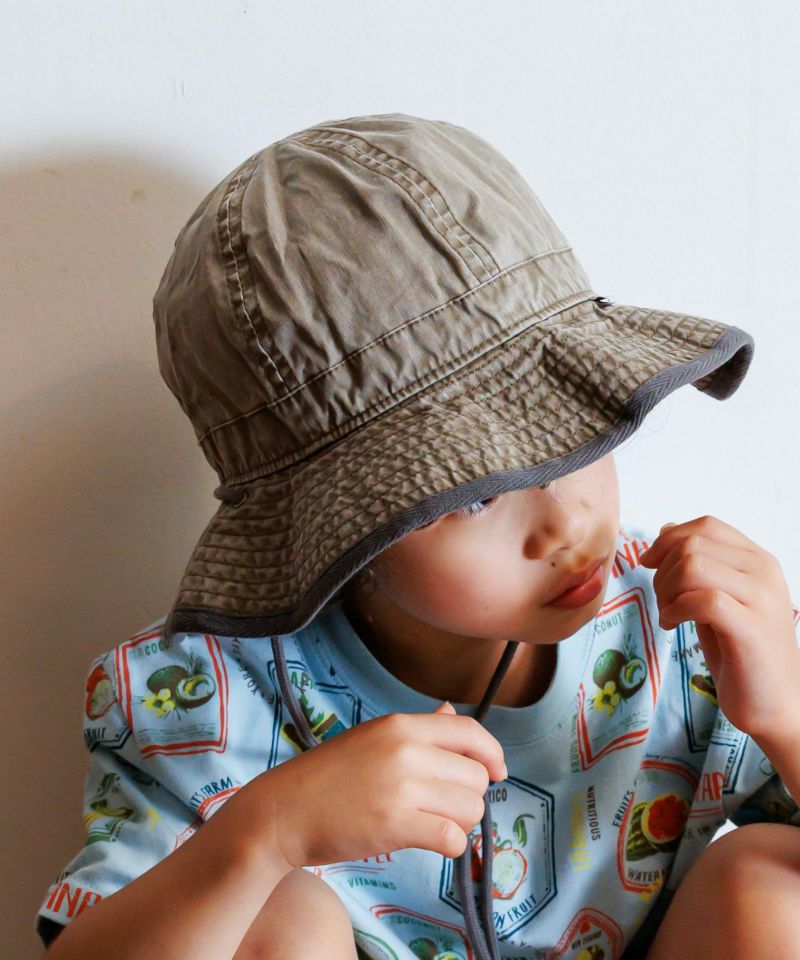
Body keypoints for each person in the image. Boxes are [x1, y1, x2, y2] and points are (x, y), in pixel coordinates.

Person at [34, 113, 800, 960]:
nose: (564, 522)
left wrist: (787, 716)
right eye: (476, 494)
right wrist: (265, 835)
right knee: (273, 914)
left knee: (773, 877)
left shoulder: (685, 632)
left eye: (575, 435)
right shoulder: (207, 700)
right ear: (331, 528)